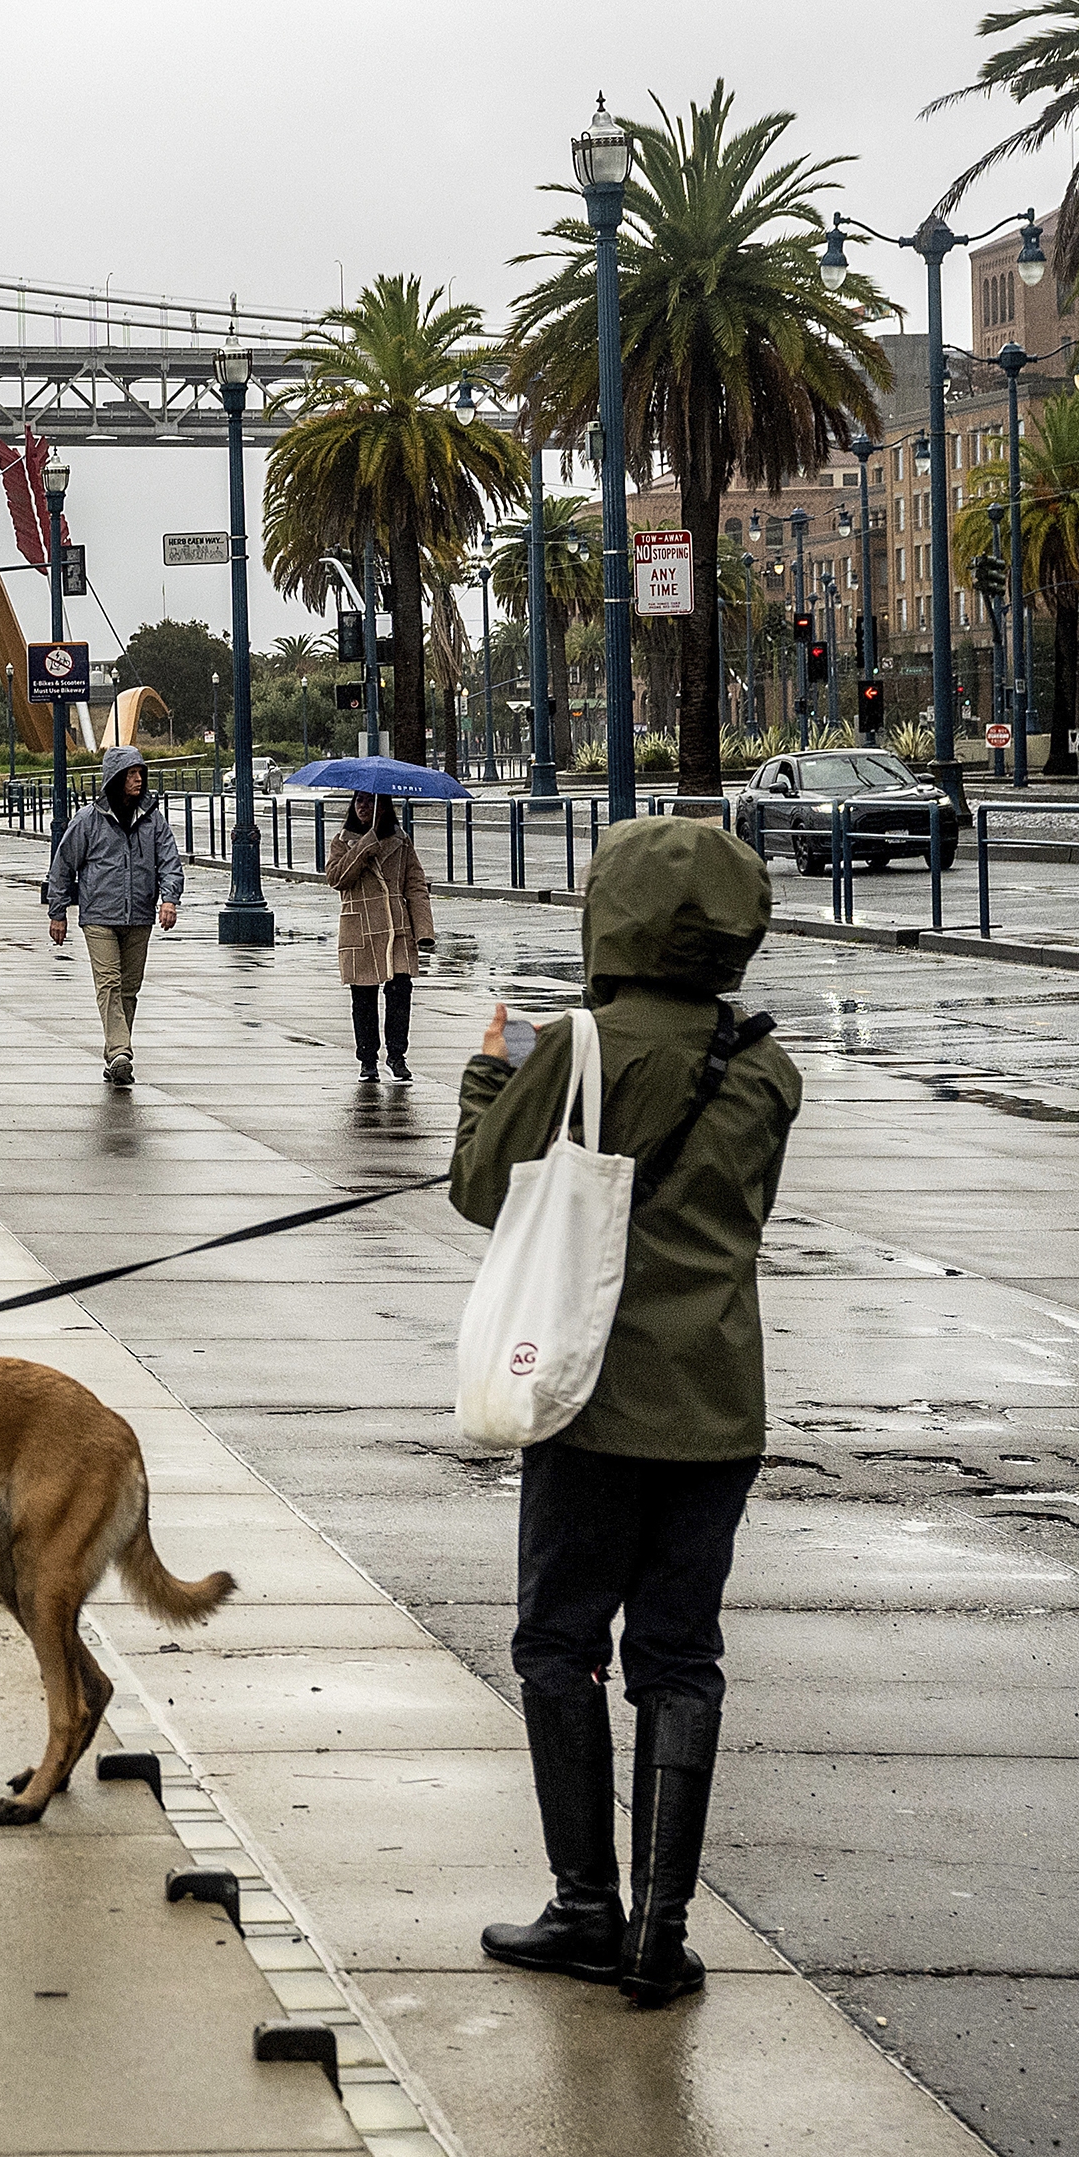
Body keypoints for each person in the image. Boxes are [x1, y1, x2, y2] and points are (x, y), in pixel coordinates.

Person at [455, 815, 800, 2011]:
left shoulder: (582, 1046)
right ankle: (662, 1931)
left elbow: (476, 1190)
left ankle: (585, 1906)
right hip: (719, 1405)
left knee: (557, 1644)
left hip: (589, 1397)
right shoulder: (764, 1064)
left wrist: (488, 1077)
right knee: (679, 1656)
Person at [42, 745, 182, 1088]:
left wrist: (170, 900)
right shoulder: (88, 821)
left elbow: (169, 861)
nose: (138, 780)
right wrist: (57, 912)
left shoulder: (153, 820)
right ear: (115, 779)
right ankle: (121, 1051)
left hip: (139, 916)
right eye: (131, 774)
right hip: (99, 916)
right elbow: (62, 868)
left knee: (129, 989)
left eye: (140, 774)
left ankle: (114, 1057)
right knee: (109, 983)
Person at [324, 792, 436, 1083]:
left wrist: (423, 931)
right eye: (358, 801)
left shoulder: (401, 841)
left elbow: (416, 886)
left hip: (396, 928)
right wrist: (364, 847)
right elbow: (337, 878)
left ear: (384, 806)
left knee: (400, 993)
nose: (363, 806)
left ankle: (397, 1057)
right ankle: (368, 1060)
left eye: (370, 801)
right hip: (359, 928)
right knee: (363, 998)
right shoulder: (342, 841)